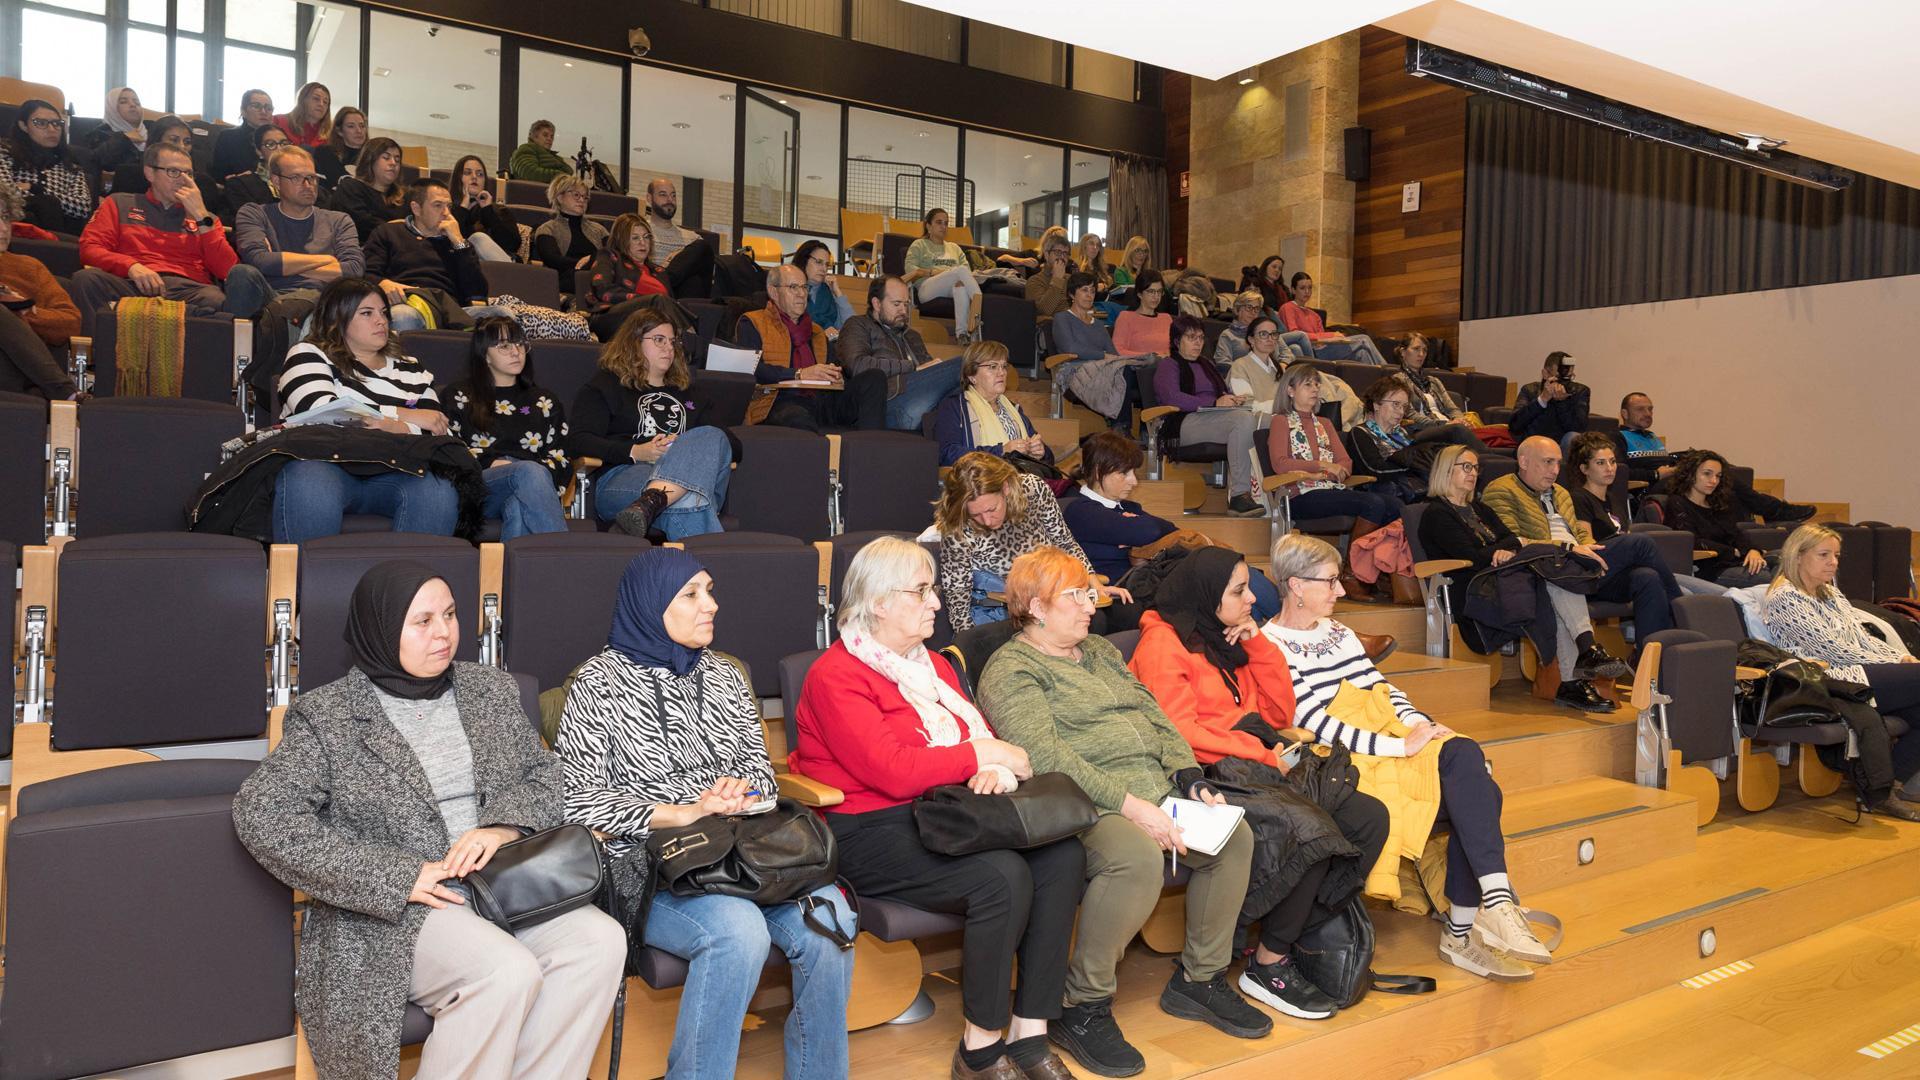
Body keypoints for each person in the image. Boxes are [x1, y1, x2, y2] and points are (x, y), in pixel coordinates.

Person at [232, 561, 625, 1079]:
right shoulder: (327, 716)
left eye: (450, 614)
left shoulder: (491, 691)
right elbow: (262, 813)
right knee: (503, 972)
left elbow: (546, 777)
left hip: (504, 885)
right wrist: (398, 875)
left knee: (599, 942)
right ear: (380, 627)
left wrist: (504, 827)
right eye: (422, 621)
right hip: (399, 913)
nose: (443, 632)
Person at [791, 536, 1084, 1080]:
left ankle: (1029, 1032)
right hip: (866, 828)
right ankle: (979, 1050)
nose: (936, 603)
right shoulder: (836, 675)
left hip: (942, 812)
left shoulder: (932, 668)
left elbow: (982, 736)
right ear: (879, 602)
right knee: (1000, 877)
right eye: (920, 591)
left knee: (1062, 856)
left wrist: (991, 765)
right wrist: (981, 755)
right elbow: (893, 770)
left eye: (932, 590)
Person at [558, 548, 857, 1078]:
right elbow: (576, 801)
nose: (711, 605)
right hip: (653, 868)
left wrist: (738, 793)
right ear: (651, 607)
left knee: (831, 917)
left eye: (710, 590)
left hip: (747, 855)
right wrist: (681, 812)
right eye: (691, 595)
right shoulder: (596, 684)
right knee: (738, 932)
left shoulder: (725, 675)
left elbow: (763, 774)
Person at [976, 547, 1273, 1074]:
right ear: (1036, 606)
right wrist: (1132, 805)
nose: (1091, 605)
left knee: (1233, 838)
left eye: (1090, 593)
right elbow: (1046, 758)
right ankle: (1082, 1005)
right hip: (1080, 803)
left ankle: (1199, 981)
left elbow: (1156, 717)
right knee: (1133, 857)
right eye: (1075, 595)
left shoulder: (1100, 653)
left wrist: (1188, 777)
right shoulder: (1012, 669)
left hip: (1153, 788)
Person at [1261, 533, 1554, 980]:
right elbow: (1318, 724)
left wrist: (1422, 725)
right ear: (1296, 586)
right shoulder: (1270, 645)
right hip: (1339, 757)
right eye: (1330, 581)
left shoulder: (1338, 632)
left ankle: (1494, 903)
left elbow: (1382, 690)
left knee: (1462, 751)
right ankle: (1461, 932)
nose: (1340, 590)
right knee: (1479, 794)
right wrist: (1400, 746)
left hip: (1386, 735)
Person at [1127, 547, 1389, 1019]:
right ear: (1208, 596)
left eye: (1248, 586)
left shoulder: (1224, 637)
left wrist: (1259, 646)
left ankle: (1292, 935)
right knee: (1309, 830)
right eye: (1238, 590)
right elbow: (1179, 734)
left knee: (1369, 818)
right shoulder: (1162, 645)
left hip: (1257, 764)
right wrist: (1262, 752)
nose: (1252, 599)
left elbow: (1278, 714)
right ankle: (1268, 962)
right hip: (1204, 775)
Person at [1421, 444, 1631, 711]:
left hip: (1506, 581)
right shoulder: (1437, 514)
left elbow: (1509, 537)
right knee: (1552, 575)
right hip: (1474, 591)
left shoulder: (1479, 509)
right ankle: (1582, 657)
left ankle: (1575, 674)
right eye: (1466, 467)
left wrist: (1504, 549)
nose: (1473, 473)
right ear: (1444, 470)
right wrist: (1498, 551)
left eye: (1475, 467)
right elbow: (1469, 555)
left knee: (1552, 580)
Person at [271, 277, 459, 541]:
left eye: (383, 313)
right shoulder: (308, 353)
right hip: (324, 463)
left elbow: (436, 430)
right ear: (337, 320)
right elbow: (321, 412)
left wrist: (391, 423)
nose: (381, 321)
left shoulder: (410, 367)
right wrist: (402, 416)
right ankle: (309, 580)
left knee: (438, 486)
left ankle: (413, 582)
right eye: (367, 313)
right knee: (310, 480)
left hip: (394, 469)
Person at [1761, 524, 1920, 820]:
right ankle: (1881, 789)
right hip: (1832, 678)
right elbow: (1834, 649)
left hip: (1862, 669)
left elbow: (1862, 638)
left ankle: (1887, 786)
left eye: (1836, 555)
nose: (1833, 562)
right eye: (1824, 555)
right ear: (1798, 556)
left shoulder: (1830, 593)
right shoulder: (1785, 598)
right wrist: (1895, 664)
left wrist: (1900, 656)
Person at [1481, 435, 1680, 659]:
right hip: (1551, 567)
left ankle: (1651, 662)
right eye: (1548, 462)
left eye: (1558, 463)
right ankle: (1680, 610)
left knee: (1647, 577)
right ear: (1524, 461)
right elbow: (1515, 541)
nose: (1555, 469)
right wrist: (1570, 548)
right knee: (1640, 542)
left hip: (1580, 564)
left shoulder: (1560, 492)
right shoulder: (1501, 490)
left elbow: (1580, 533)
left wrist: (1588, 548)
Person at [570, 306, 735, 540]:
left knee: (712, 435)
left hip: (665, 489)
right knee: (691, 499)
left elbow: (733, 446)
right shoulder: (606, 386)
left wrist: (684, 448)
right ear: (634, 342)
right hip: (626, 476)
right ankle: (716, 570)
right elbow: (579, 440)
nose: (669, 348)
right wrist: (635, 451)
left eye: (672, 342)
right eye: (659, 340)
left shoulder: (691, 394)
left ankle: (651, 503)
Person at [71, 142, 271, 327]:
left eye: (189, 174)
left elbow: (228, 270)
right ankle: (94, 358)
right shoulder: (119, 203)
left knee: (215, 299)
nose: (183, 180)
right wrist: (131, 267)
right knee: (86, 280)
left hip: (188, 289)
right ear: (150, 173)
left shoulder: (207, 219)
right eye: (174, 171)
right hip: (132, 282)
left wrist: (201, 217)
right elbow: (89, 249)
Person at [935, 452, 1125, 631]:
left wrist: (1092, 582)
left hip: (1049, 593)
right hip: (998, 608)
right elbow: (957, 591)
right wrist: (967, 641)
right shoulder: (957, 521)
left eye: (992, 509)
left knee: (1098, 620)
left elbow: (1064, 542)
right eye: (975, 514)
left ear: (1006, 488)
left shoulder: (1034, 489)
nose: (986, 520)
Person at [1266, 363, 1404, 600]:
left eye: (1316, 384)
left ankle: (1377, 573)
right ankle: (1351, 576)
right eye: (1307, 384)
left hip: (1330, 490)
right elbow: (1280, 464)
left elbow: (1345, 463)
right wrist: (1320, 466)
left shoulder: (1325, 423)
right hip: (1299, 496)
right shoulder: (1281, 421)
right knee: (1373, 503)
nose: (1315, 389)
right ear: (1290, 390)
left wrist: (1330, 471)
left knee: (1396, 505)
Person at [441, 316, 569, 540]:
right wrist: (490, 463)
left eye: (520, 344)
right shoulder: (459, 396)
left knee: (519, 506)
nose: (516, 352)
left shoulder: (544, 401)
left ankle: (520, 574)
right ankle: (561, 560)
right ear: (485, 355)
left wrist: (528, 472)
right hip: (481, 487)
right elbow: (448, 449)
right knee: (528, 472)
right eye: (504, 346)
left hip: (534, 485)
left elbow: (562, 457)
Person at [733, 263, 886, 432]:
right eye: (793, 287)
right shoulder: (753, 322)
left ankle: (870, 452)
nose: (801, 294)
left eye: (804, 287)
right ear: (773, 292)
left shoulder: (816, 331)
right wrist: (799, 374)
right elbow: (752, 369)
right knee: (797, 417)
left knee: (874, 378)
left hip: (823, 400)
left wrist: (838, 375)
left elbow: (834, 366)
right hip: (779, 401)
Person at [1617, 392, 1815, 522]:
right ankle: (1775, 510)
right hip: (1651, 487)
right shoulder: (1617, 437)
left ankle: (1768, 515)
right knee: (1715, 471)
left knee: (1720, 475)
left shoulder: (1651, 437)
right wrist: (1655, 474)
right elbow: (1619, 471)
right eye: (1640, 409)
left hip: (1675, 478)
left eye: (1650, 409)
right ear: (1624, 413)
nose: (1648, 413)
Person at [363, 177, 506, 332]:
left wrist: (458, 242)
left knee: (503, 315)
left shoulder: (458, 244)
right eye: (438, 205)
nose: (446, 213)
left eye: (449, 206)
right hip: (409, 303)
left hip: (452, 311)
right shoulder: (388, 232)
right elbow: (366, 274)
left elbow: (477, 292)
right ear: (416, 209)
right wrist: (383, 283)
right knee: (403, 317)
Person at [1154, 315, 1263, 517]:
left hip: (1212, 418)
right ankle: (1240, 495)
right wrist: (1213, 403)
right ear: (1177, 341)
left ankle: (1268, 494)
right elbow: (1172, 397)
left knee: (1260, 420)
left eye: (1201, 338)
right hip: (1182, 422)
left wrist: (1230, 398)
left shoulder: (1207, 365)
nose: (1198, 342)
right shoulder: (1168, 365)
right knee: (1243, 420)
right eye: (1191, 337)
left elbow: (1220, 392)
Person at [233, 145, 363, 301]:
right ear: (276, 181)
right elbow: (258, 260)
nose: (308, 185)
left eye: (312, 177)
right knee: (241, 273)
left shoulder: (339, 220)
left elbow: (354, 269)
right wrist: (328, 260)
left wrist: (281, 265)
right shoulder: (254, 214)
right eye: (296, 178)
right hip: (269, 297)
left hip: (322, 300)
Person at [838, 274, 963, 432]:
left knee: (963, 389)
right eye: (897, 304)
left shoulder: (912, 335)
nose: (903, 311)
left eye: (906, 304)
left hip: (920, 402)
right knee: (967, 364)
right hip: (888, 404)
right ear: (876, 303)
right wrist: (912, 367)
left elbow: (929, 375)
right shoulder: (858, 325)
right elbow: (857, 365)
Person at [0, 178, 81, 398]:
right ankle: (65, 392)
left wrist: (27, 313)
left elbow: (71, 322)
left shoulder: (29, 267)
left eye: (6, 218)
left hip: (21, 376)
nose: (2, 228)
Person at [1345, 375, 1480, 503]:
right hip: (1384, 492)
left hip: (1414, 487)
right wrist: (1416, 465)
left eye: (1404, 406)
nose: (1400, 412)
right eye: (1396, 404)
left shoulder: (1402, 433)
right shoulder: (1360, 433)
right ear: (1377, 405)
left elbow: (1414, 459)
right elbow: (1377, 470)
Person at [1660, 450, 1775, 588]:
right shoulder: (1677, 503)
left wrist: (1753, 550)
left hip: (1734, 562)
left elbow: (1736, 534)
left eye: (1718, 476)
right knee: (1773, 579)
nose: (1714, 481)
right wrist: (1734, 552)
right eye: (1707, 474)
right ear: (1690, 474)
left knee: (1783, 562)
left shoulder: (1717, 502)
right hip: (1709, 570)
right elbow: (1691, 542)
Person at [931, 340, 1049, 467]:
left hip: (1022, 477)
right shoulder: (954, 406)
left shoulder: (1013, 409)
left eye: (1004, 366)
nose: (1002, 372)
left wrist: (1041, 451)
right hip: (982, 482)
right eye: (993, 367)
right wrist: (1001, 451)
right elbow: (947, 454)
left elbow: (1047, 457)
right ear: (972, 376)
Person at [0, 99, 96, 235]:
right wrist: (51, 200)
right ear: (23, 126)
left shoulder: (70, 165)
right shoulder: (5, 153)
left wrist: (35, 189)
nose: (52, 129)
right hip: (14, 229)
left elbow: (83, 207)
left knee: (49, 204)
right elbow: (5, 195)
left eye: (57, 124)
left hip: (59, 234)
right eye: (41, 123)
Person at [581, 212, 681, 341]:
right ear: (622, 240)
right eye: (635, 238)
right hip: (611, 317)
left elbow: (671, 304)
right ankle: (681, 344)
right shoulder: (609, 256)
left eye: (646, 237)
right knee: (659, 301)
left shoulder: (659, 271)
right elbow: (602, 289)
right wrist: (646, 300)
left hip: (654, 322)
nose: (642, 243)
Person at [904, 207, 983, 344]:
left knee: (961, 287)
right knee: (960, 271)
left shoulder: (954, 247)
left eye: (946, 223)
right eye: (939, 222)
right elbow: (911, 270)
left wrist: (951, 273)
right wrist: (934, 272)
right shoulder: (919, 244)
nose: (943, 226)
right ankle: (979, 313)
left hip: (951, 285)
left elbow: (967, 272)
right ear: (928, 226)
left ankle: (962, 335)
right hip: (926, 287)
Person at [1278, 273, 1386, 365]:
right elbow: (1295, 334)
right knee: (1363, 339)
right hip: (1313, 350)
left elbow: (1321, 337)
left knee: (1362, 353)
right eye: (1302, 288)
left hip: (1324, 347)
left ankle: (1379, 385)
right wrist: (1331, 335)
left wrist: (1333, 339)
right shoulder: (1288, 308)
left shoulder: (1314, 315)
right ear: (1293, 290)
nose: (1307, 291)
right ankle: (1392, 374)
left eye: (1310, 288)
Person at [641, 177, 715, 299]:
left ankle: (664, 280)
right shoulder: (640, 231)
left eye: (673, 195)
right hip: (653, 294)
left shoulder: (693, 238)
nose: (670, 200)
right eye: (663, 195)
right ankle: (662, 282)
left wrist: (678, 256)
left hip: (684, 296)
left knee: (703, 247)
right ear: (649, 198)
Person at [1389, 332, 1478, 432]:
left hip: (1449, 427)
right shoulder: (1397, 381)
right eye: (1416, 349)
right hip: (1425, 430)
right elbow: (1410, 414)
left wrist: (1460, 420)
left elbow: (1453, 409)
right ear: (1403, 352)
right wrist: (1445, 424)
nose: (1421, 354)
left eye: (1424, 350)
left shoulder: (1434, 381)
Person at [532, 174, 606, 294]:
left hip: (600, 277)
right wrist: (591, 261)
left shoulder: (599, 230)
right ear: (560, 197)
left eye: (585, 197)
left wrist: (593, 259)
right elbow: (554, 260)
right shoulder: (547, 229)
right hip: (568, 283)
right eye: (576, 195)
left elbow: (614, 254)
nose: (582, 200)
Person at [217, 123, 295, 225]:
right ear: (259, 151)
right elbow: (250, 221)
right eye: (270, 144)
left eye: (284, 143)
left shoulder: (306, 180)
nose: (280, 149)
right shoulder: (240, 185)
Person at [447, 154, 521, 262]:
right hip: (462, 267)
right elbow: (450, 244)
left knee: (478, 238)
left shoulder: (500, 210)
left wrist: (488, 211)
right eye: (468, 173)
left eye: (480, 174)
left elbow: (512, 245)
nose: (474, 177)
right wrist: (463, 208)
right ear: (458, 179)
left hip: (499, 267)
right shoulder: (445, 210)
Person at [333, 137, 406, 243]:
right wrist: (395, 229)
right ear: (370, 160)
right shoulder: (350, 188)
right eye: (386, 158)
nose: (393, 163)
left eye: (397, 160)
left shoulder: (404, 197)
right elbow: (362, 224)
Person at [1508, 351, 1590, 445]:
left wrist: (1562, 403)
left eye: (1569, 377)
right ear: (1545, 374)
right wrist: (1541, 401)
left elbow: (1578, 429)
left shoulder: (1579, 392)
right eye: (1559, 377)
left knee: (1572, 437)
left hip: (1562, 448)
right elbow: (1515, 427)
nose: (1563, 382)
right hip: (1533, 446)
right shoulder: (1530, 390)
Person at [1214, 291, 1309, 367]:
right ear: (1237, 309)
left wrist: (1282, 365)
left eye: (1256, 309)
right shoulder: (1227, 335)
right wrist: (1255, 370)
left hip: (1274, 376)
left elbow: (1287, 354)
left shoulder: (1268, 330)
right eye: (1249, 307)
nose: (1253, 312)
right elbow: (1223, 364)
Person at [82, 87, 150, 176]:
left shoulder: (153, 130)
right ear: (112, 108)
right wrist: (124, 138)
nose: (133, 105)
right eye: (123, 102)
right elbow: (97, 162)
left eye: (137, 102)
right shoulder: (99, 135)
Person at [793, 238, 852, 338]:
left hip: (830, 347)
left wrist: (837, 293)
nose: (824, 269)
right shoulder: (789, 288)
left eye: (827, 264)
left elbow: (852, 326)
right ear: (804, 260)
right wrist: (820, 333)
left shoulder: (828, 291)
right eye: (819, 262)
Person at [214, 89, 276, 178]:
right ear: (243, 111)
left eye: (268, 108)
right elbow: (219, 175)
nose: (263, 111)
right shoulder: (228, 137)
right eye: (256, 106)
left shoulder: (278, 138)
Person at [1111, 275, 1171, 357]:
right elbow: (1117, 350)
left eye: (1159, 291)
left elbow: (1177, 349)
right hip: (1139, 367)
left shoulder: (1166, 318)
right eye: (1151, 291)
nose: (1156, 296)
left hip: (1168, 366)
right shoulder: (1126, 317)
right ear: (1139, 294)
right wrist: (1151, 356)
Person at [1023, 230, 1075, 322]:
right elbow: (1044, 310)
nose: (1062, 257)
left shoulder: (1071, 279)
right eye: (1058, 252)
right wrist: (1057, 279)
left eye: (1065, 253)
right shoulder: (1035, 281)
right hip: (1055, 327)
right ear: (1046, 255)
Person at [314, 106, 368, 188]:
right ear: (339, 131)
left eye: (362, 126)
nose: (359, 131)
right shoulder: (325, 152)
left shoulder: (374, 155)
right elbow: (342, 181)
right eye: (351, 126)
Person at [508, 119, 572, 183]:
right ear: (534, 137)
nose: (549, 139)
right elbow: (530, 172)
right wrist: (561, 176)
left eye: (552, 136)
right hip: (535, 190)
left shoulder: (555, 157)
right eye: (545, 135)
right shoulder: (526, 149)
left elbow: (569, 171)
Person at [272, 82, 332, 148]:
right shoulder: (278, 121)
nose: (321, 104)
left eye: (325, 102)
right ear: (302, 100)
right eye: (316, 99)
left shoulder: (330, 134)